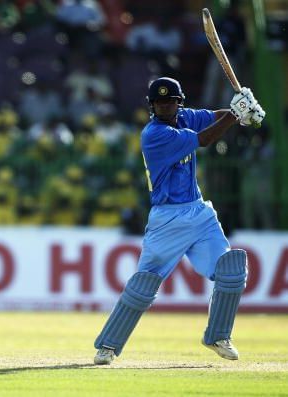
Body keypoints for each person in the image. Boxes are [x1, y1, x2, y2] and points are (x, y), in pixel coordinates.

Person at [93, 77, 265, 365]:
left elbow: (215, 118)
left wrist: (245, 114)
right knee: (143, 285)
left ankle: (218, 335)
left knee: (231, 270)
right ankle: (108, 346)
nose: (165, 106)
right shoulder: (154, 134)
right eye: (160, 103)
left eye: (170, 101)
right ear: (152, 106)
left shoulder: (185, 116)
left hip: (198, 212)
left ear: (179, 102)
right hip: (167, 219)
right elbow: (206, 139)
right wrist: (237, 114)